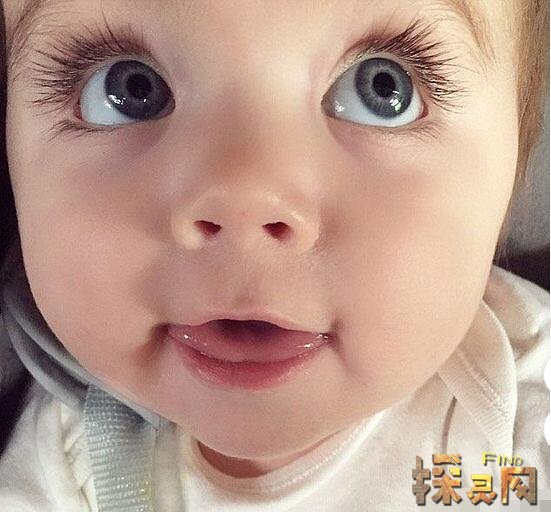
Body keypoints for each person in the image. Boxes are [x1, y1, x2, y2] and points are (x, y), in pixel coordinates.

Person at [0, 0, 548, 510]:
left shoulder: (526, 409)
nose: (244, 201)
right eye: (128, 90)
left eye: (383, 89)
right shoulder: (74, 464)